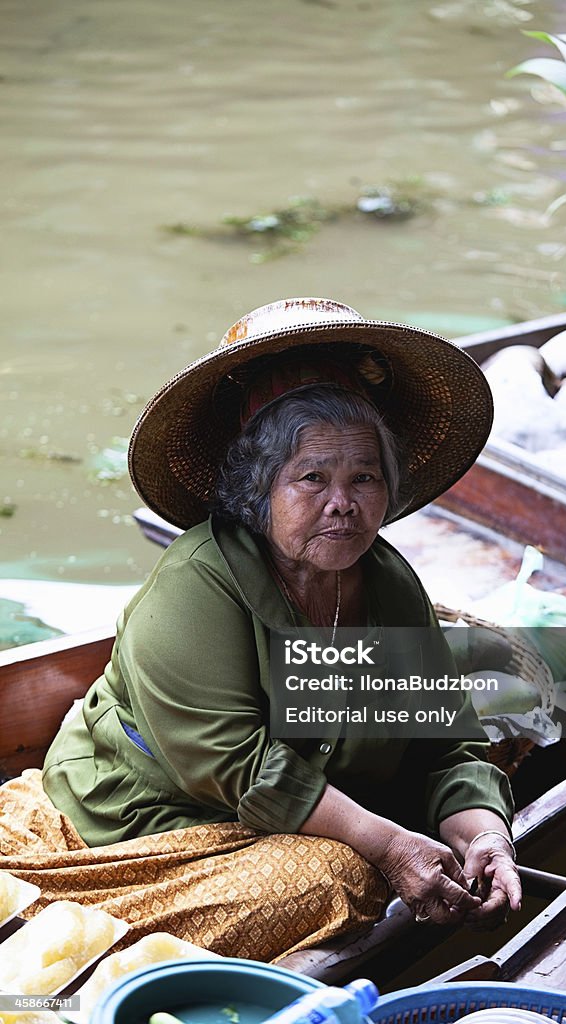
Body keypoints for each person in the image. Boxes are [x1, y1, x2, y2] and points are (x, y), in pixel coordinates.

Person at [2, 297, 520, 962]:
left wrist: (486, 840)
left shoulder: (389, 584)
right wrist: (389, 843)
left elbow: (446, 750)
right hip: (143, 822)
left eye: (364, 476)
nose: (343, 502)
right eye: (312, 478)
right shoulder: (201, 579)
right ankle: (63, 937)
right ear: (258, 488)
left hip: (288, 814)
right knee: (338, 878)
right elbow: (240, 766)